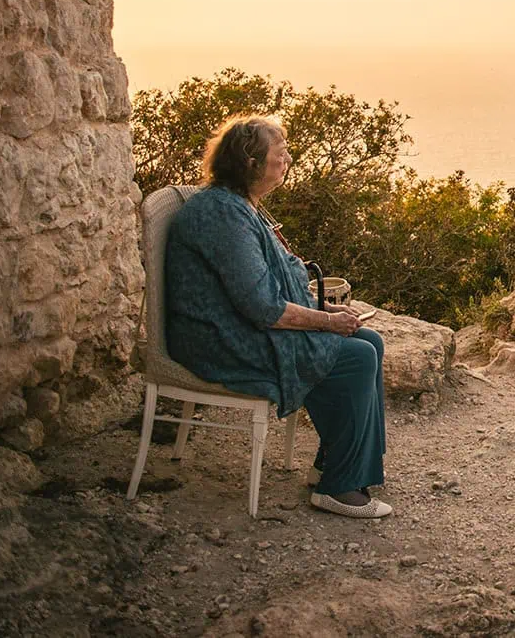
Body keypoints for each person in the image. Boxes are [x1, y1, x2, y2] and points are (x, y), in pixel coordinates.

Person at [165, 116, 392, 519]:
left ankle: (338, 465)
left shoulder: (240, 206)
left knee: (370, 342)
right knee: (355, 356)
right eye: (279, 151)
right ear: (250, 162)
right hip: (218, 338)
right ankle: (337, 488)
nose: (288, 157)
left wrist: (324, 309)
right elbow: (263, 307)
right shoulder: (224, 216)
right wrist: (326, 323)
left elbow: (262, 290)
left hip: (238, 323)